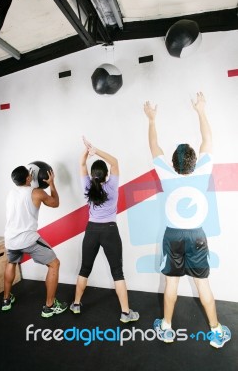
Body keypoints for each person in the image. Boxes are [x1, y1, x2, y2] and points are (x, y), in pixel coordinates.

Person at [144, 92, 231, 348]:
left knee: (171, 283)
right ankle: (215, 332)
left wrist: (151, 120)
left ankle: (167, 328)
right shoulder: (203, 170)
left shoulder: (166, 174)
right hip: (197, 235)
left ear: (173, 163)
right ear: (194, 161)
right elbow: (208, 140)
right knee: (202, 284)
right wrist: (201, 110)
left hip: (173, 236)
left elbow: (154, 147)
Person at [70, 137, 139, 323]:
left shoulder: (87, 186)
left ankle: (76, 304)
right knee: (118, 272)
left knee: (85, 268)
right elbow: (115, 162)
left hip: (91, 231)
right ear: (107, 174)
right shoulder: (112, 186)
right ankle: (126, 313)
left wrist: (86, 151)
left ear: (92, 175)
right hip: (110, 230)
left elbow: (81, 163)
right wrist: (96, 150)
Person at [2, 165, 67, 318]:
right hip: (28, 240)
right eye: (29, 175)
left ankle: (6, 300)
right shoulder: (37, 193)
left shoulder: (11, 193)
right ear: (28, 178)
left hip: (10, 240)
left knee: (11, 263)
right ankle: (49, 307)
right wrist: (51, 183)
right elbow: (55, 203)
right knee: (54, 264)